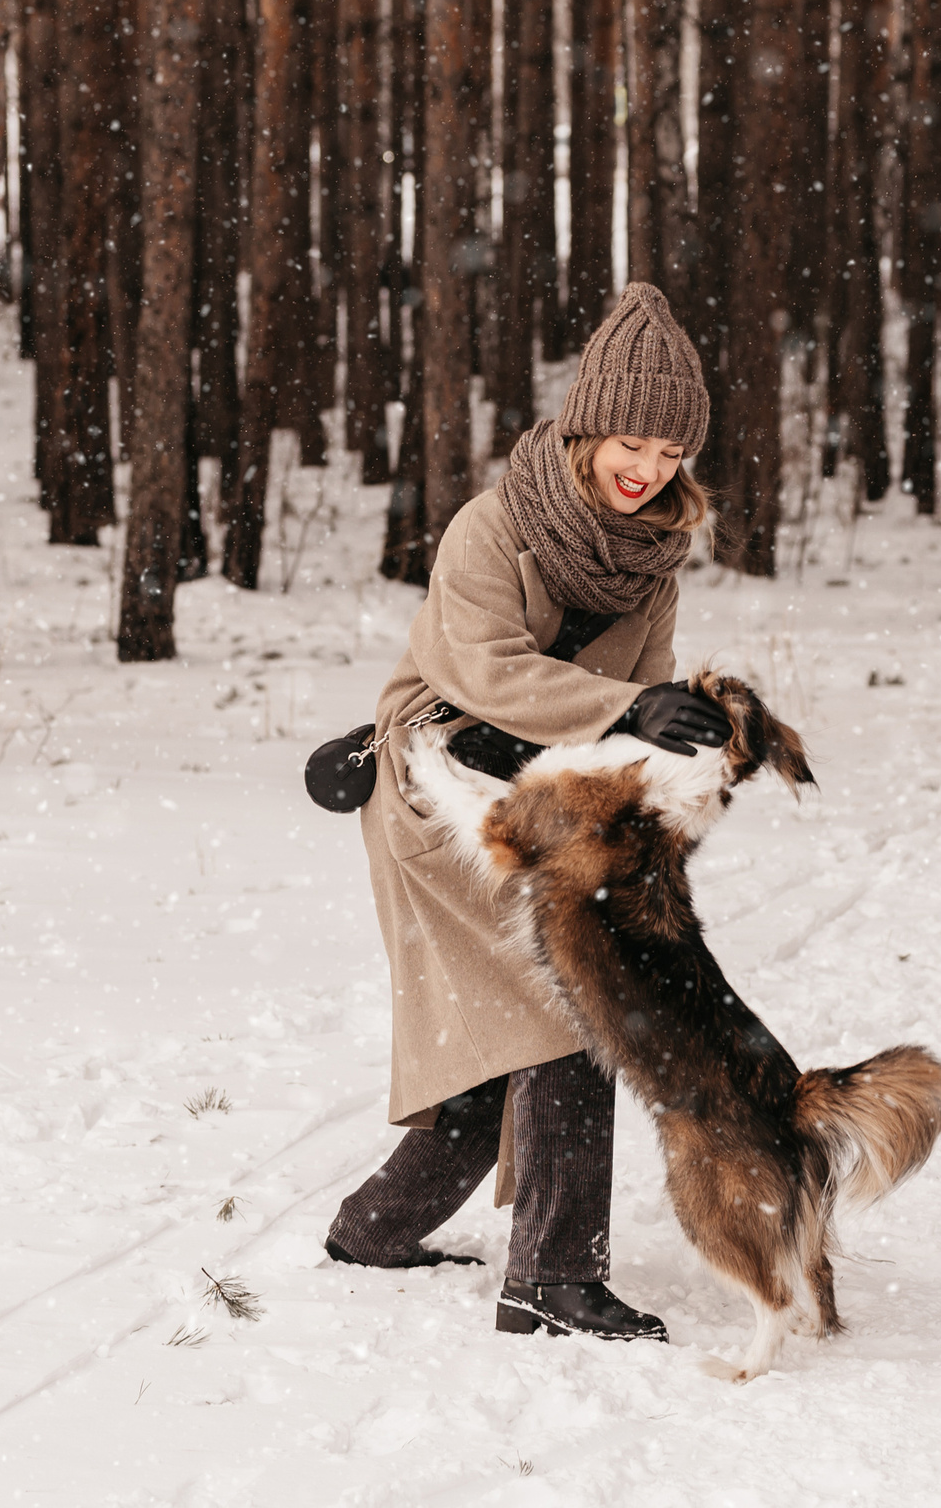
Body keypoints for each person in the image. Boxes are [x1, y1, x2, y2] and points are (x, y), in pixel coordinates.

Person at [325, 282, 733, 1342]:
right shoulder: (492, 527)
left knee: (502, 1022)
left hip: (542, 793)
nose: (644, 469)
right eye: (628, 442)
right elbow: (485, 671)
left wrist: (669, 746)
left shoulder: (653, 557)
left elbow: (639, 701)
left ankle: (376, 1227)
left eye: (668, 452)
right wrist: (624, 705)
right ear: (587, 427)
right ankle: (551, 1281)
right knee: (561, 1012)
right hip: (437, 778)